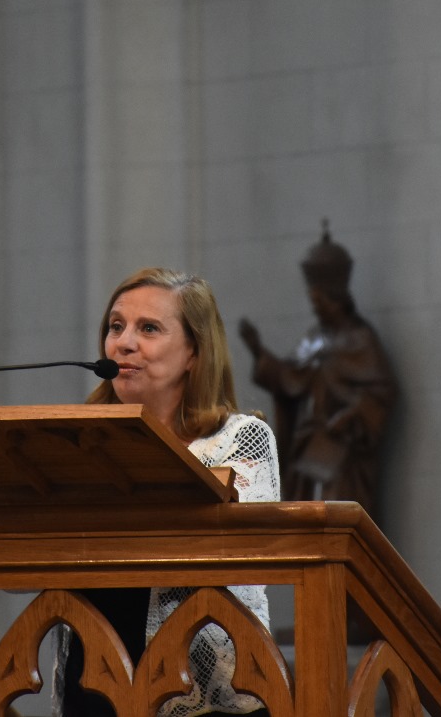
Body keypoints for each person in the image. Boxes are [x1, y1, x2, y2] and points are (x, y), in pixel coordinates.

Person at [56, 267, 280, 717]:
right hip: (94, 688)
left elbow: (243, 554)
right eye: (116, 326)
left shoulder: (240, 439)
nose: (124, 343)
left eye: (149, 329)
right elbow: (17, 577)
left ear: (194, 352)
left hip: (203, 696)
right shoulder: (78, 442)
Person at [238, 225, 397, 516]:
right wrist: (258, 352)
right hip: (309, 447)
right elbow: (291, 379)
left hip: (342, 454)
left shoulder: (361, 339)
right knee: (301, 514)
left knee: (338, 514)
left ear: (335, 299)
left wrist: (350, 416)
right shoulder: (314, 338)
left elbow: (382, 393)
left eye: (319, 302)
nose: (316, 309)